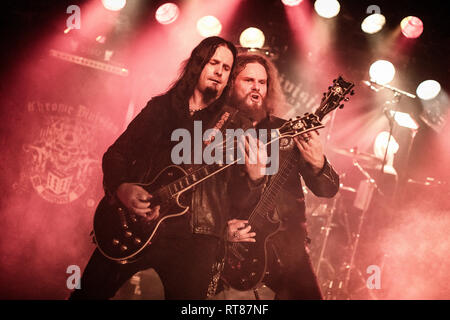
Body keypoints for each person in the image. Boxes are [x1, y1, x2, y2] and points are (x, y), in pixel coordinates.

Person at [70, 36, 256, 300]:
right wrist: (122, 188)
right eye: (214, 63)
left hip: (196, 237)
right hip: (132, 223)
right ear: (197, 64)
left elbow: (241, 190)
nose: (219, 72)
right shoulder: (160, 108)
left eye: (226, 68)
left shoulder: (237, 125)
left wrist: (257, 177)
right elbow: (116, 154)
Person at [220, 53, 340, 299]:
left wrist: (319, 163)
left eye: (262, 82)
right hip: (236, 245)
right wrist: (220, 229)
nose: (256, 87)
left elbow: (327, 189)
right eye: (248, 80)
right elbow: (203, 195)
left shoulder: (285, 130)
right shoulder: (216, 132)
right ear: (231, 84)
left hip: (288, 246)